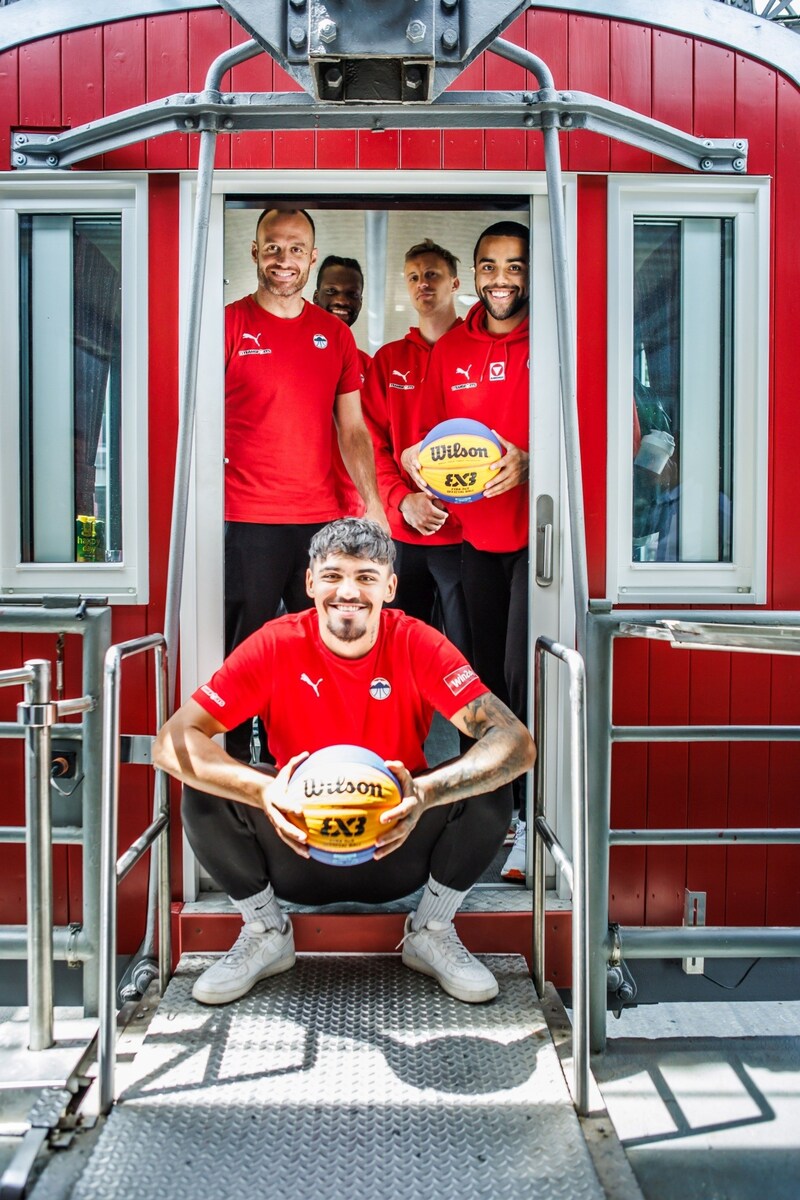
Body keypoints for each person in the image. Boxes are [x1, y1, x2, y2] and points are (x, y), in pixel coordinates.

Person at [153, 517, 535, 1007]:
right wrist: (262, 791)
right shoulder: (276, 642)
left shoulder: (416, 641)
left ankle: (432, 930)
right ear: (310, 582)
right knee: (204, 786)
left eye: (366, 577)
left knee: (487, 782)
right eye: (333, 575)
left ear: (391, 587)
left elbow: (514, 742)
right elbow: (172, 741)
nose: (347, 592)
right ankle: (266, 932)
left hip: (395, 849)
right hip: (298, 851)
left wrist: (426, 793)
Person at [224, 208, 386, 762]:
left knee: (315, 649)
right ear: (255, 252)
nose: (283, 259)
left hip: (322, 522)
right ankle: (233, 774)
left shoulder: (334, 335)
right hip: (245, 518)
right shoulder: (228, 326)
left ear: (311, 258)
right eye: (273, 247)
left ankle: (302, 761)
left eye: (296, 249)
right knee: (242, 650)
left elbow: (353, 429)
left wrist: (373, 507)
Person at [401, 221, 531, 880]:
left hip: (544, 546)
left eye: (513, 265)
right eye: (490, 266)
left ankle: (538, 819)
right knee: (488, 683)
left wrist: (533, 462)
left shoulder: (558, 335)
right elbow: (416, 442)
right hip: (477, 541)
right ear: (473, 275)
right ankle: (498, 812)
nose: (501, 278)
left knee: (526, 675)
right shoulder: (451, 349)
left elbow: (607, 432)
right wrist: (422, 472)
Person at [362, 239, 471, 658]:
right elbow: (373, 445)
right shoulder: (388, 361)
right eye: (413, 277)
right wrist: (402, 499)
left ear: (454, 283)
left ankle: (472, 728)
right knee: (397, 656)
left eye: (432, 275)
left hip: (466, 539)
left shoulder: (477, 351)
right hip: (403, 537)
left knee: (468, 660)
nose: (422, 284)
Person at [312, 254, 372, 516]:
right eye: (332, 291)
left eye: (352, 293)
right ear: (315, 297)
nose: (342, 300)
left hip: (354, 511)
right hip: (301, 507)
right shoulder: (289, 354)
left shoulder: (369, 366)